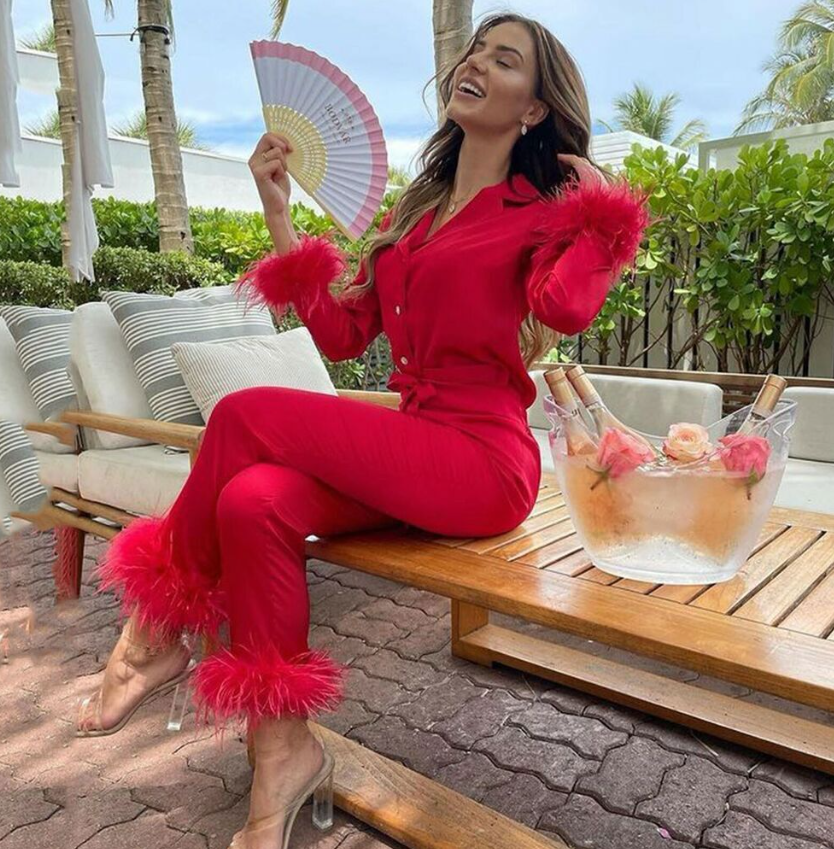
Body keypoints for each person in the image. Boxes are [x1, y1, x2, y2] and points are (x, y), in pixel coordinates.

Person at [74, 11, 650, 849]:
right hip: (414, 449)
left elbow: (563, 308)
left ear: (533, 108)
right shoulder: (415, 218)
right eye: (475, 49)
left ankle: (153, 634)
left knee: (242, 413)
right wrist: (278, 213)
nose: (476, 63)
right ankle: (283, 753)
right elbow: (345, 335)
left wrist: (598, 217)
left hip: (482, 462)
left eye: (505, 59)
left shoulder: (536, 212)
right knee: (251, 499)